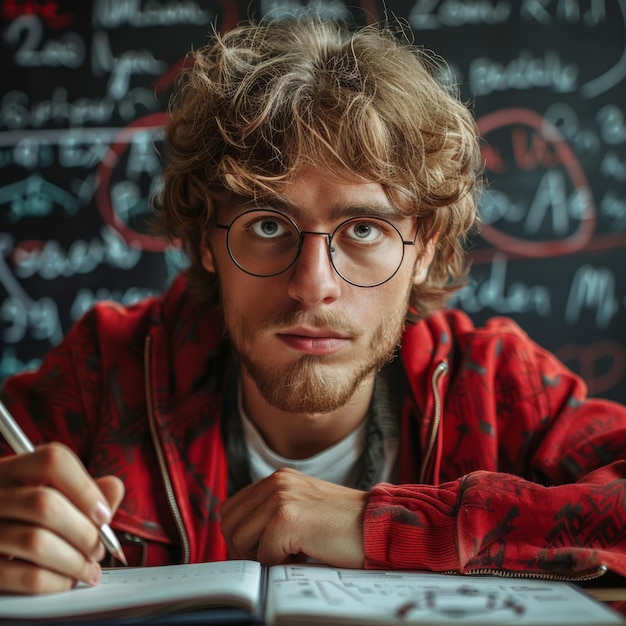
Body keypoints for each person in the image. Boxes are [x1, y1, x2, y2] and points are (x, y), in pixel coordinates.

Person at [1, 16, 625, 596]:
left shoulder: (496, 386)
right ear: (205, 243)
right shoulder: (105, 373)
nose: (312, 284)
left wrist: (388, 525)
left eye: (363, 230)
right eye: (268, 226)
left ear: (425, 250)